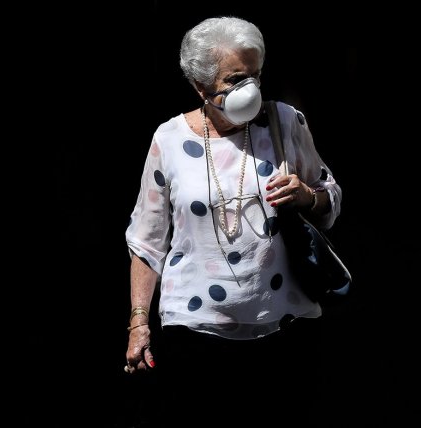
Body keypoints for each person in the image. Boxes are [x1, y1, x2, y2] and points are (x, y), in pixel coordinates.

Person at [123, 16, 342, 426]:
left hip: (282, 326)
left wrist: (306, 196)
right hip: (195, 331)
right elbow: (147, 242)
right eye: (237, 79)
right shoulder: (168, 140)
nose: (251, 90)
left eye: (257, 75)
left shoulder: (285, 121)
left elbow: (329, 197)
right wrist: (139, 323)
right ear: (201, 87)